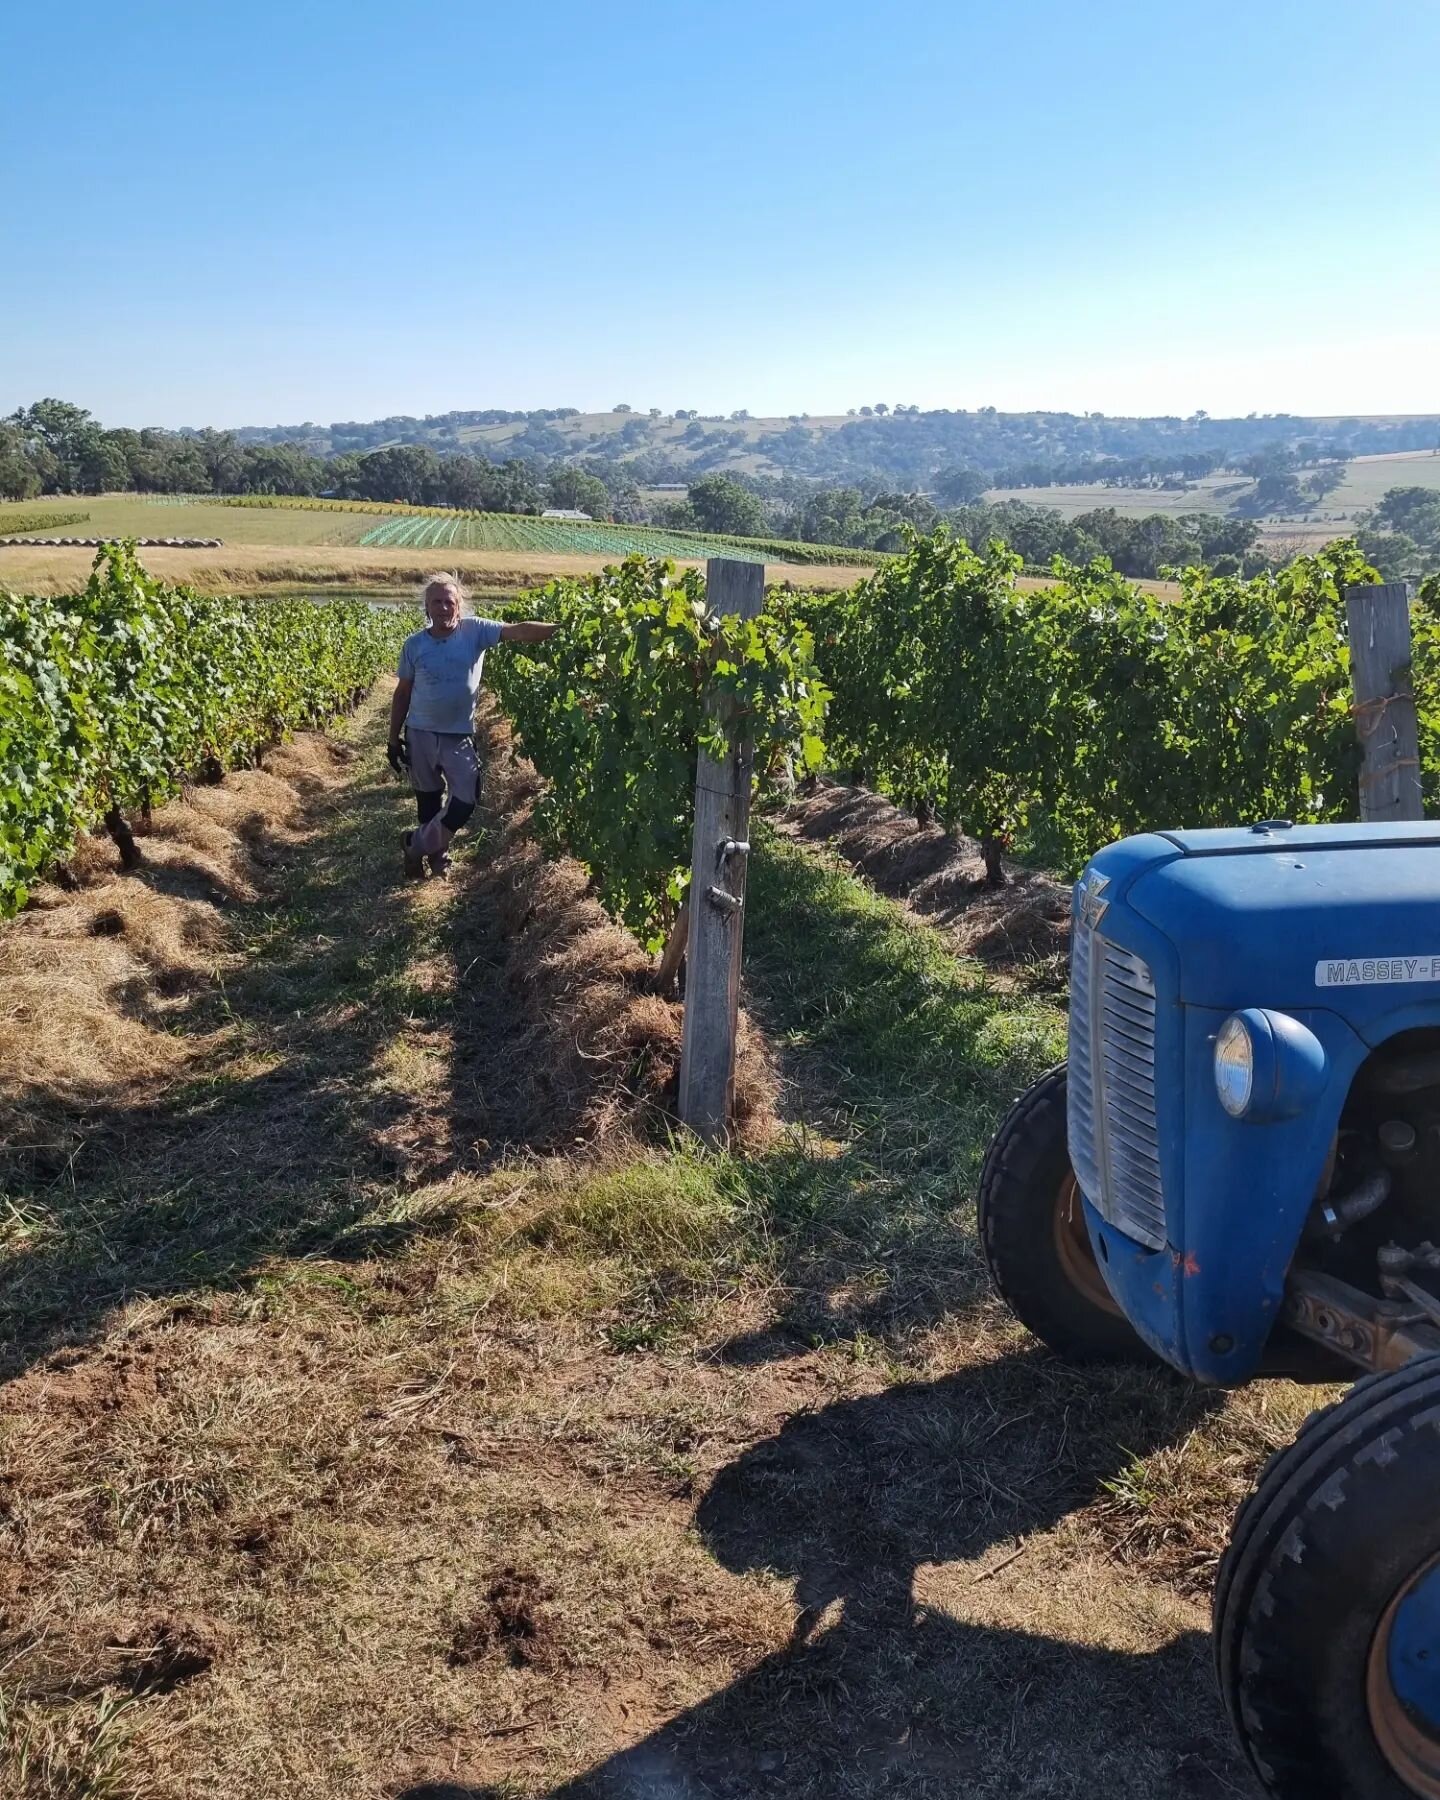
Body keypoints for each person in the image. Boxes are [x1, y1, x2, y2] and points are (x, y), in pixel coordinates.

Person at [387, 573, 557, 878]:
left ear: (459, 605)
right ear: (426, 608)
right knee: (428, 800)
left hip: (459, 734)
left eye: (449, 601)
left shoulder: (475, 631)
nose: (443, 608)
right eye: (436, 602)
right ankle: (437, 860)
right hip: (420, 733)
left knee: (466, 800)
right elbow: (402, 693)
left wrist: (557, 630)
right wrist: (392, 739)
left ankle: (413, 845)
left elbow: (517, 632)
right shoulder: (414, 645)